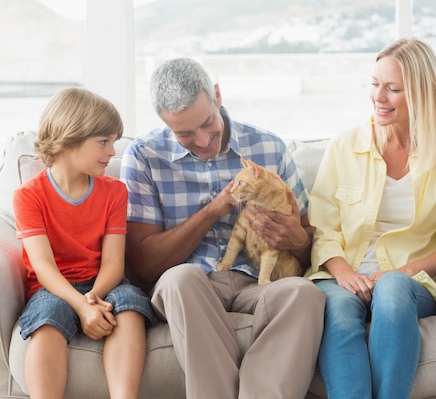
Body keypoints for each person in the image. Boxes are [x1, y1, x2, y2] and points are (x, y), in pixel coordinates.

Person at [120, 57, 325, 399]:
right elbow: (143, 265)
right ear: (163, 121)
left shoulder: (269, 147)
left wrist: (297, 239)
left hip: (256, 283)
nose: (202, 140)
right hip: (190, 285)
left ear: (217, 95)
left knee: (304, 294)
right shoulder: (143, 157)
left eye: (207, 123)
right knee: (180, 278)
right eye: (185, 133)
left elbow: (307, 249)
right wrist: (215, 209)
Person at [305, 37, 436, 398]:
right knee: (337, 308)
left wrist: (400, 273)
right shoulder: (345, 146)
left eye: (393, 89)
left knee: (392, 289)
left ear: (420, 94)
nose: (378, 97)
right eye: (375, 84)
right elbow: (323, 229)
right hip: (344, 274)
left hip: (414, 281)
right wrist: (345, 274)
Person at [13, 87, 155, 399]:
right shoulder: (28, 196)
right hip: (53, 287)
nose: (111, 152)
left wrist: (92, 300)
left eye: (114, 142)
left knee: (130, 307)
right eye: (103, 142)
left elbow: (114, 264)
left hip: (103, 284)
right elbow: (44, 267)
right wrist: (80, 306)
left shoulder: (115, 192)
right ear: (69, 140)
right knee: (47, 319)